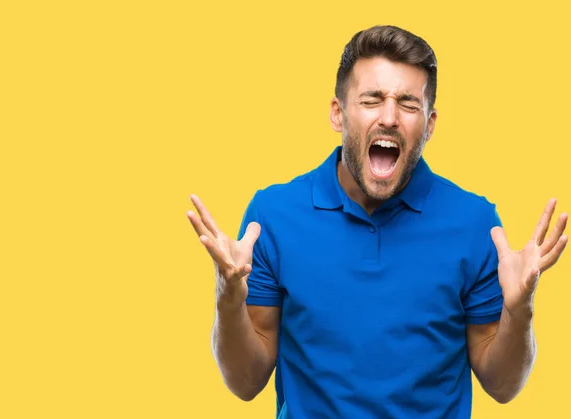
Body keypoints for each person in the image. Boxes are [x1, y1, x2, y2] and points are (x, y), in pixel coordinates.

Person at [186, 25, 568, 418]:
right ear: (339, 113)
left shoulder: (475, 222)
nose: (389, 117)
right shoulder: (273, 215)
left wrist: (520, 310)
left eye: (407, 103)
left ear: (430, 124)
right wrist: (227, 299)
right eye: (372, 100)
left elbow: (503, 386)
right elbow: (246, 382)